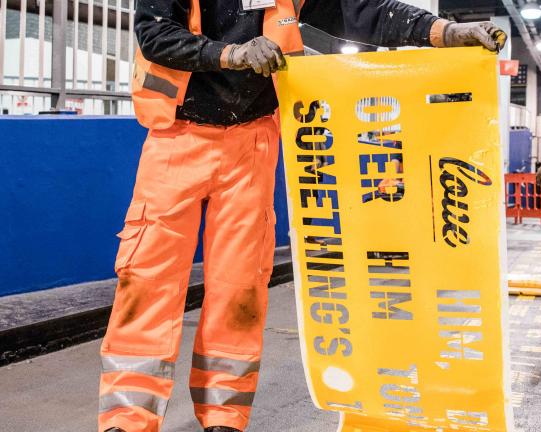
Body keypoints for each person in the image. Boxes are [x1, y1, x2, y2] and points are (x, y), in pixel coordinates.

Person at [98, 1, 507, 431]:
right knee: (147, 282)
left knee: (240, 288)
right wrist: (230, 54)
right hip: (176, 139)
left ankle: (225, 419)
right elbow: (156, 35)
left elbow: (363, 12)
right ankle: (127, 420)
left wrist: (442, 31)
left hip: (251, 145)